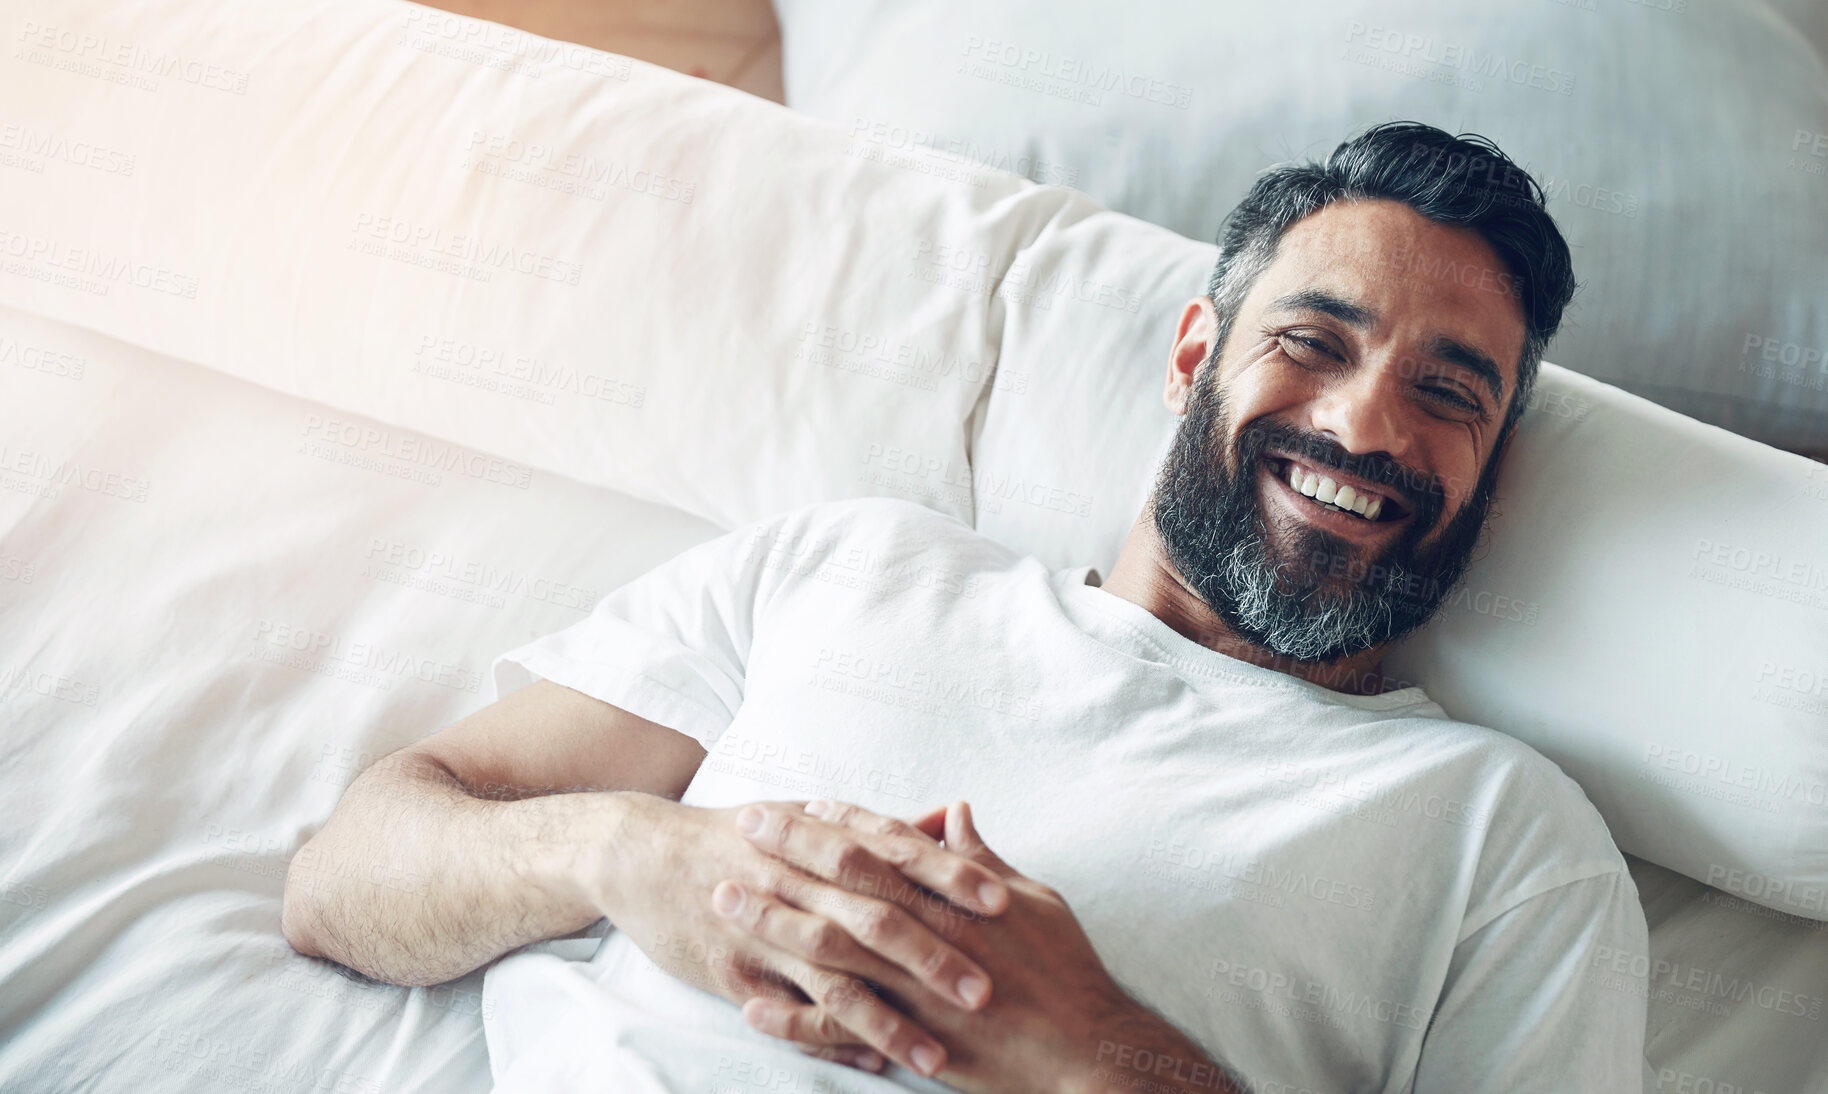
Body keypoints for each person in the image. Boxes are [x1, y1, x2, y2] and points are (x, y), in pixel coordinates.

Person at [281, 121, 1651, 1093]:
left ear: (1491, 468)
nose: (1362, 423)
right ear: (1194, 357)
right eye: (1312, 342)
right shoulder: (857, 565)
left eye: (1448, 392)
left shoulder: (1507, 836)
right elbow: (345, 877)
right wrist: (632, 858)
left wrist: (1083, 1047)